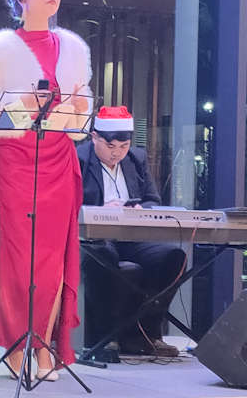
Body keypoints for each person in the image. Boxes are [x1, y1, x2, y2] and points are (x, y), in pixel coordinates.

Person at [0, 0, 92, 381]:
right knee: (21, 256)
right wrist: (26, 105)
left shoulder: (72, 47)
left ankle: (46, 345)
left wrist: (78, 108)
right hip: (18, 160)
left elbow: (80, 114)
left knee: (54, 258)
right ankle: (17, 344)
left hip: (59, 158)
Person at [77, 105, 185, 357]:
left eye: (123, 147)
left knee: (173, 257)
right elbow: (68, 202)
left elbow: (152, 199)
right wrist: (101, 209)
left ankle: (146, 334)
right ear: (94, 137)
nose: (117, 153)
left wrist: (138, 208)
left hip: (132, 236)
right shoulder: (79, 159)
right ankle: (105, 337)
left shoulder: (136, 158)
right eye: (110, 146)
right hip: (94, 237)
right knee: (103, 256)